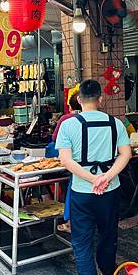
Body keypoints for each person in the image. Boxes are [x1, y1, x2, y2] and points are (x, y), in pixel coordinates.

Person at [56, 79, 132, 275]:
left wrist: (92, 179)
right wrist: (106, 177)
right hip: (110, 190)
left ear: (78, 100)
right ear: (101, 98)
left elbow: (65, 160)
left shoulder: (69, 125)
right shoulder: (115, 123)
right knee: (108, 234)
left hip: (82, 192)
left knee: (82, 241)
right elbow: (126, 153)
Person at [53, 91, 82, 233]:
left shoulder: (66, 119)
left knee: (68, 185)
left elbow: (54, 139)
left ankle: (69, 221)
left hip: (70, 164)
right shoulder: (100, 119)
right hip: (91, 168)